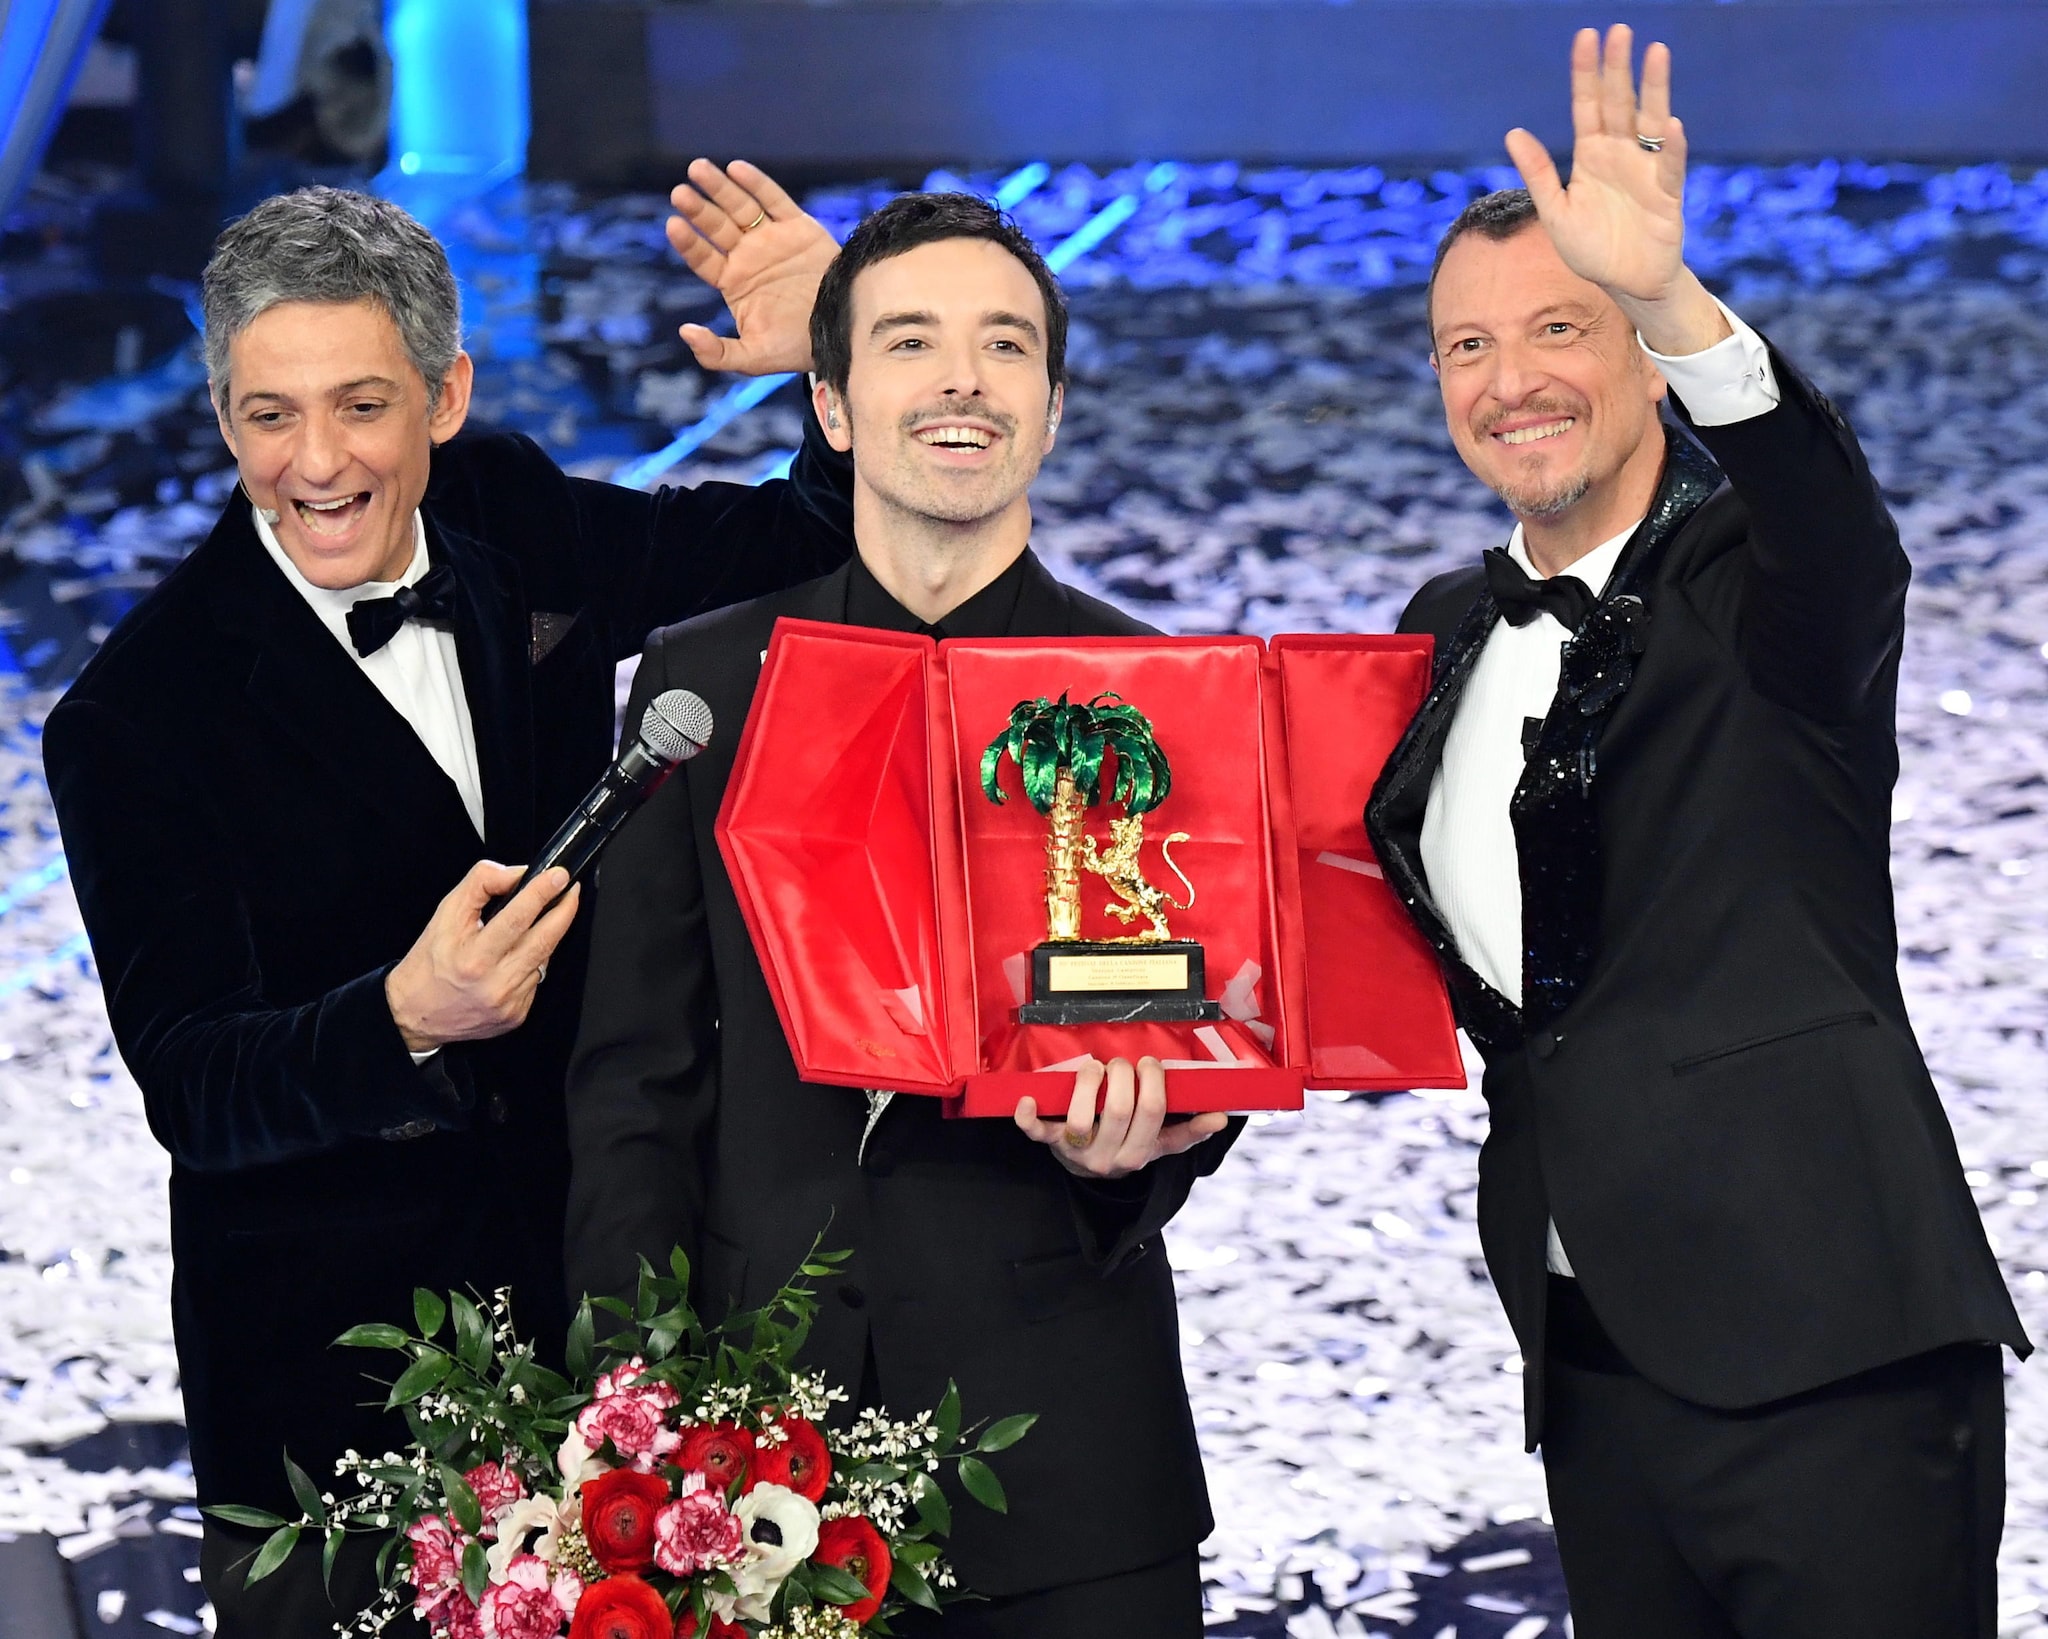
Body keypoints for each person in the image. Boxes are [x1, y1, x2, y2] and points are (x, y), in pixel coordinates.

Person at [42, 163, 854, 1637]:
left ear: (447, 394)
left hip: (599, 1342)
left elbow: (800, 546)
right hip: (331, 1399)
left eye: (361, 406)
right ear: (221, 417)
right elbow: (195, 1085)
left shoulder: (504, 513)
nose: (316, 463)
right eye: (268, 415)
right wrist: (402, 1019)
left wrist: (831, 355)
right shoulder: (133, 718)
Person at [1365, 27, 2028, 1638]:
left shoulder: (1765, 586)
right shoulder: (1441, 629)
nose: (1510, 380)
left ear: (1648, 362)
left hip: (1834, 1346)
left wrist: (1672, 295)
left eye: (1562, 327)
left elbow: (1834, 520)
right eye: (1466, 347)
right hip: (1591, 1359)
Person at [565, 192, 1234, 1639]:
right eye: (911, 341)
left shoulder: (1158, 691)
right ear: (833, 402)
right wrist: (630, 1425)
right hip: (746, 1468)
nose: (961, 380)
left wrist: (1134, 1152)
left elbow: (1194, 1046)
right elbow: (635, 1084)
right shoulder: (704, 682)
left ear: (1051, 408)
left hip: (1071, 1466)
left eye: (1006, 346)